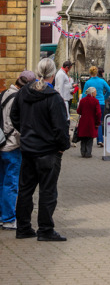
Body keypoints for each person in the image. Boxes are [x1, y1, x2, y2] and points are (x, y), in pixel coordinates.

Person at [11, 58, 70, 241]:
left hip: (29, 149)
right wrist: (62, 147)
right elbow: (61, 127)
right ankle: (44, 230)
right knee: (47, 191)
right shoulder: (53, 98)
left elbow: (15, 117)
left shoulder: (23, 93)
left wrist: (27, 133)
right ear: (52, 74)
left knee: (25, 190)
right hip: (48, 151)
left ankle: (23, 228)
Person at [0, 70, 36, 230]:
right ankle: (8, 218)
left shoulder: (3, 94)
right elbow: (17, 125)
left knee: (2, 183)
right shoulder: (19, 99)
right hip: (12, 146)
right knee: (11, 183)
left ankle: (2, 216)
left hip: (0, 144)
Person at [82, 65, 110, 147]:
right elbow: (109, 90)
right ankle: (100, 139)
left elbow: (84, 95)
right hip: (101, 103)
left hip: (91, 103)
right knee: (99, 121)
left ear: (90, 73)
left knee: (91, 120)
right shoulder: (102, 81)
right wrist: (104, 97)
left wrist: (82, 103)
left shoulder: (88, 82)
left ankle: (90, 138)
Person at [76, 86, 101, 159]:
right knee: (90, 138)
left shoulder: (82, 100)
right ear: (92, 93)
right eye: (95, 92)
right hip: (91, 122)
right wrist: (97, 122)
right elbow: (98, 113)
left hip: (83, 121)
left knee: (83, 138)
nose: (96, 93)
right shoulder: (95, 101)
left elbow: (78, 111)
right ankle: (88, 153)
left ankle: (83, 152)